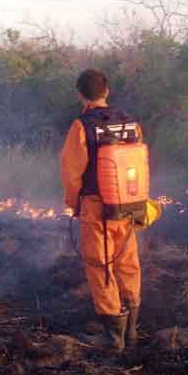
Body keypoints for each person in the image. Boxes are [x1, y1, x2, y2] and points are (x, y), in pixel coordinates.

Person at [60, 69, 142, 353]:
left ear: (80, 94)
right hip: (128, 203)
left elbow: (72, 172)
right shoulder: (130, 122)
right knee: (128, 261)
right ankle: (131, 328)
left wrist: (74, 203)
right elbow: (139, 163)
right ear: (106, 90)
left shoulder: (82, 126)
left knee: (100, 265)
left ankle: (113, 336)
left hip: (96, 205)